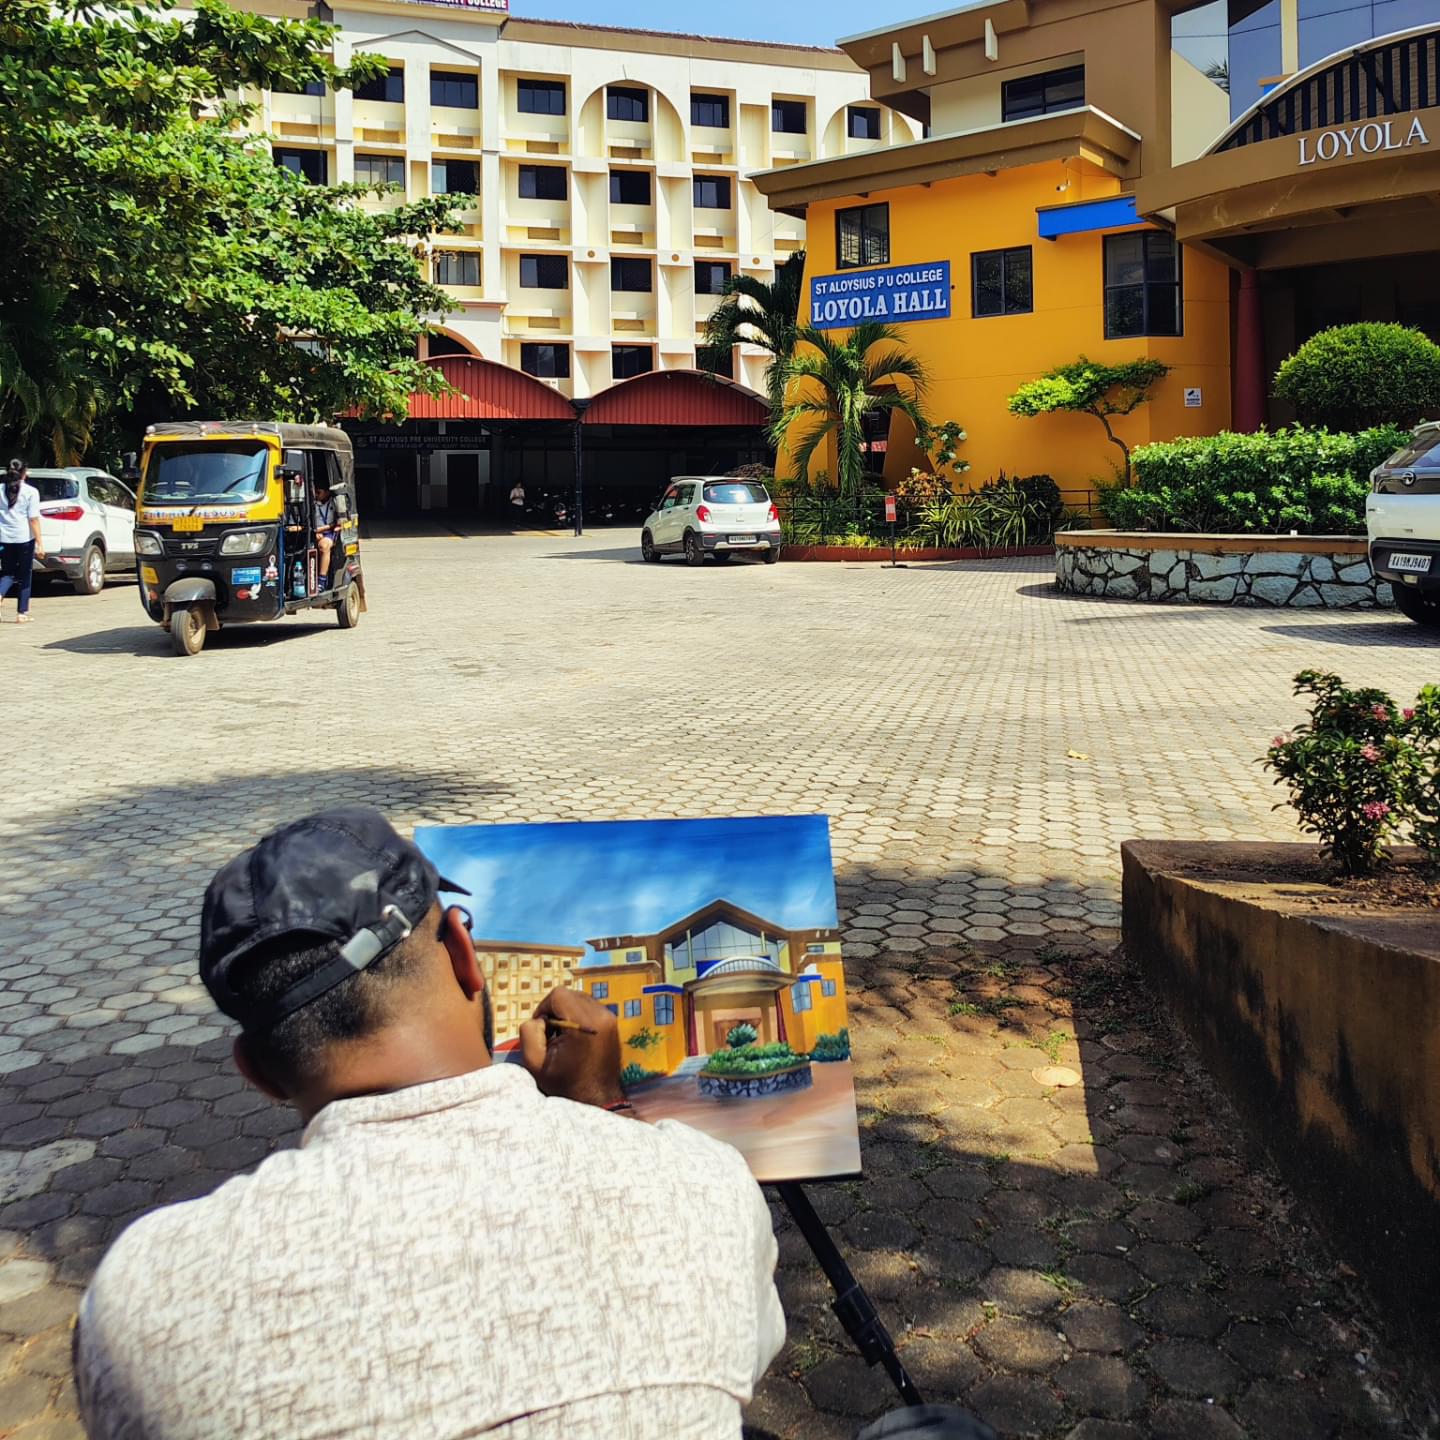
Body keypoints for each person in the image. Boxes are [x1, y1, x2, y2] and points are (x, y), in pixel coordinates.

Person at [74, 807, 785, 1439]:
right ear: (467, 959)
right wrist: (605, 1112)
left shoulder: (148, 1300)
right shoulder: (700, 1184)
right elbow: (748, 1356)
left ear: (256, 1072)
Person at [0, 459, 43, 624]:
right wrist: (40, 543)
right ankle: (21, 612)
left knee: (8, 573)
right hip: (24, 538)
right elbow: (33, 520)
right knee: (25, 575)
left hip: (4, 538)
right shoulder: (31, 492)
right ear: (24, 473)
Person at [313, 479, 339, 589]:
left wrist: (324, 529)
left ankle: (321, 581)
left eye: (319, 492)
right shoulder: (312, 504)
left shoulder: (334, 503)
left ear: (327, 493)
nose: (316, 495)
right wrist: (315, 532)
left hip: (329, 533)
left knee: (324, 546)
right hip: (314, 531)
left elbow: (336, 523)